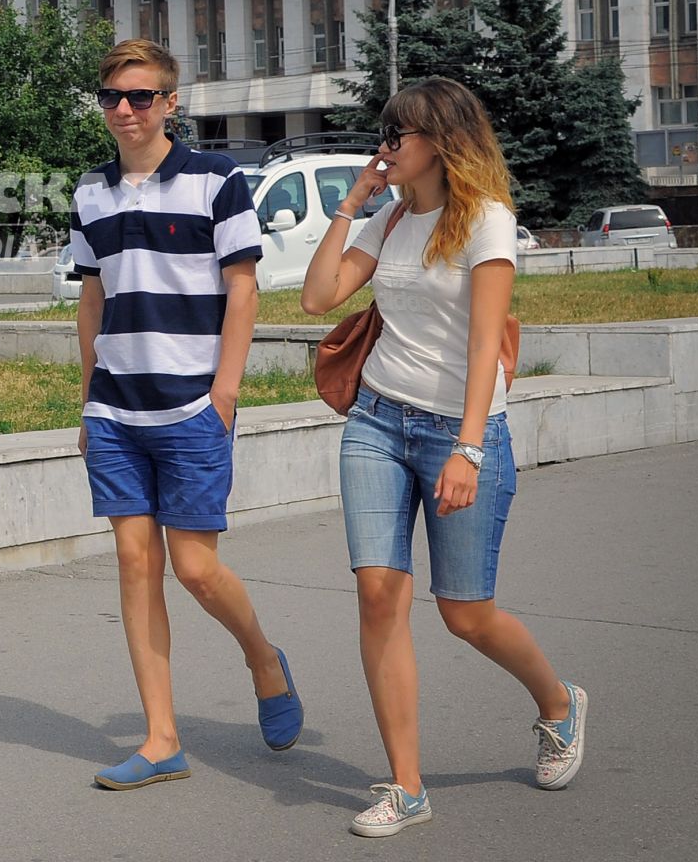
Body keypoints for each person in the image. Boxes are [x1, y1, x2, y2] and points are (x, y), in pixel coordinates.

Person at [300, 77, 587, 838]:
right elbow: (317, 297)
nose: (384, 146)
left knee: (466, 614)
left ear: (442, 142)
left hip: (461, 432)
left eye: (398, 135)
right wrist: (351, 202)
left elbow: (486, 345)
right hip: (376, 421)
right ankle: (407, 785)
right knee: (377, 595)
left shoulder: (485, 222)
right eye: (383, 133)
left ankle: (558, 702)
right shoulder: (390, 219)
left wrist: (465, 449)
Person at [68, 38, 303, 791]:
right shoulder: (91, 193)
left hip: (193, 406)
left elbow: (243, 288)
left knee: (197, 569)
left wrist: (225, 392)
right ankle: (161, 737)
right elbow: (92, 298)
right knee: (136, 566)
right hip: (116, 411)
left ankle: (263, 659)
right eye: (112, 98)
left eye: (141, 96)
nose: (125, 110)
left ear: (172, 102)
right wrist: (88, 397)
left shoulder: (216, 181)